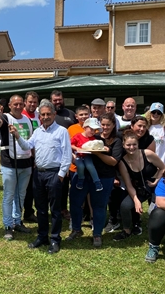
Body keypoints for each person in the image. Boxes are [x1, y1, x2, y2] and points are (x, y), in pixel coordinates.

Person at [9, 99, 72, 254]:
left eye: (48, 114)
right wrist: (17, 135)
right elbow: (27, 146)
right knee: (41, 208)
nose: (45, 117)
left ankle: (55, 239)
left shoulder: (61, 131)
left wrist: (61, 175)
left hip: (54, 174)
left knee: (55, 210)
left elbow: (67, 154)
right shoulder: (37, 131)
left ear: (54, 114)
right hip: (39, 174)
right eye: (42, 114)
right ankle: (42, 236)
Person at [67, 113, 123, 247]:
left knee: (99, 205)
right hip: (83, 174)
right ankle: (76, 229)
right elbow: (77, 148)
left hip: (103, 177)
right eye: (102, 124)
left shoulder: (116, 140)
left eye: (108, 125)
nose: (105, 127)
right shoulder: (93, 137)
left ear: (113, 125)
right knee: (75, 202)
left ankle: (97, 234)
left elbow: (113, 162)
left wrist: (97, 152)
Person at [113, 130, 165, 241]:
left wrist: (156, 181)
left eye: (134, 144)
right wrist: (136, 200)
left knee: (157, 210)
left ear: (138, 144)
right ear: (123, 145)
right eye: (128, 145)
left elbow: (163, 168)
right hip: (139, 188)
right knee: (125, 206)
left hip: (156, 186)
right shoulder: (122, 162)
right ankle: (126, 230)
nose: (131, 147)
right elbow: (128, 184)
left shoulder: (148, 154)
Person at [0, 95, 34, 240]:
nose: (18, 107)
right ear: (9, 105)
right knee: (9, 195)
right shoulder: (5, 118)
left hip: (26, 163)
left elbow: (32, 141)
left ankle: (17, 221)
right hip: (9, 163)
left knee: (21, 195)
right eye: (15, 104)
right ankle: (8, 225)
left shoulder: (28, 120)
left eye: (21, 104)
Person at [50, 90, 77, 221]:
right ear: (51, 101)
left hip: (68, 155)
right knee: (53, 186)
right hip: (52, 156)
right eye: (55, 100)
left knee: (65, 185)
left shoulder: (70, 114)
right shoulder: (50, 115)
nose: (57, 102)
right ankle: (53, 210)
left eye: (59, 99)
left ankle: (64, 209)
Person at [21, 91, 40, 223]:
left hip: (36, 157)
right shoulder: (20, 115)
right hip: (22, 156)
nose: (32, 104)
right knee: (22, 188)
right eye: (30, 102)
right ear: (25, 102)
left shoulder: (39, 116)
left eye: (34, 102)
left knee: (33, 187)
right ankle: (18, 215)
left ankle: (29, 212)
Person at [71, 118, 103, 191]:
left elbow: (96, 146)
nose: (93, 132)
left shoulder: (93, 138)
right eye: (91, 129)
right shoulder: (78, 136)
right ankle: (80, 179)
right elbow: (71, 144)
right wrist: (76, 148)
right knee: (80, 166)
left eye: (95, 130)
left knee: (90, 166)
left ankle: (97, 181)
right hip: (78, 155)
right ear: (85, 127)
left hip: (87, 155)